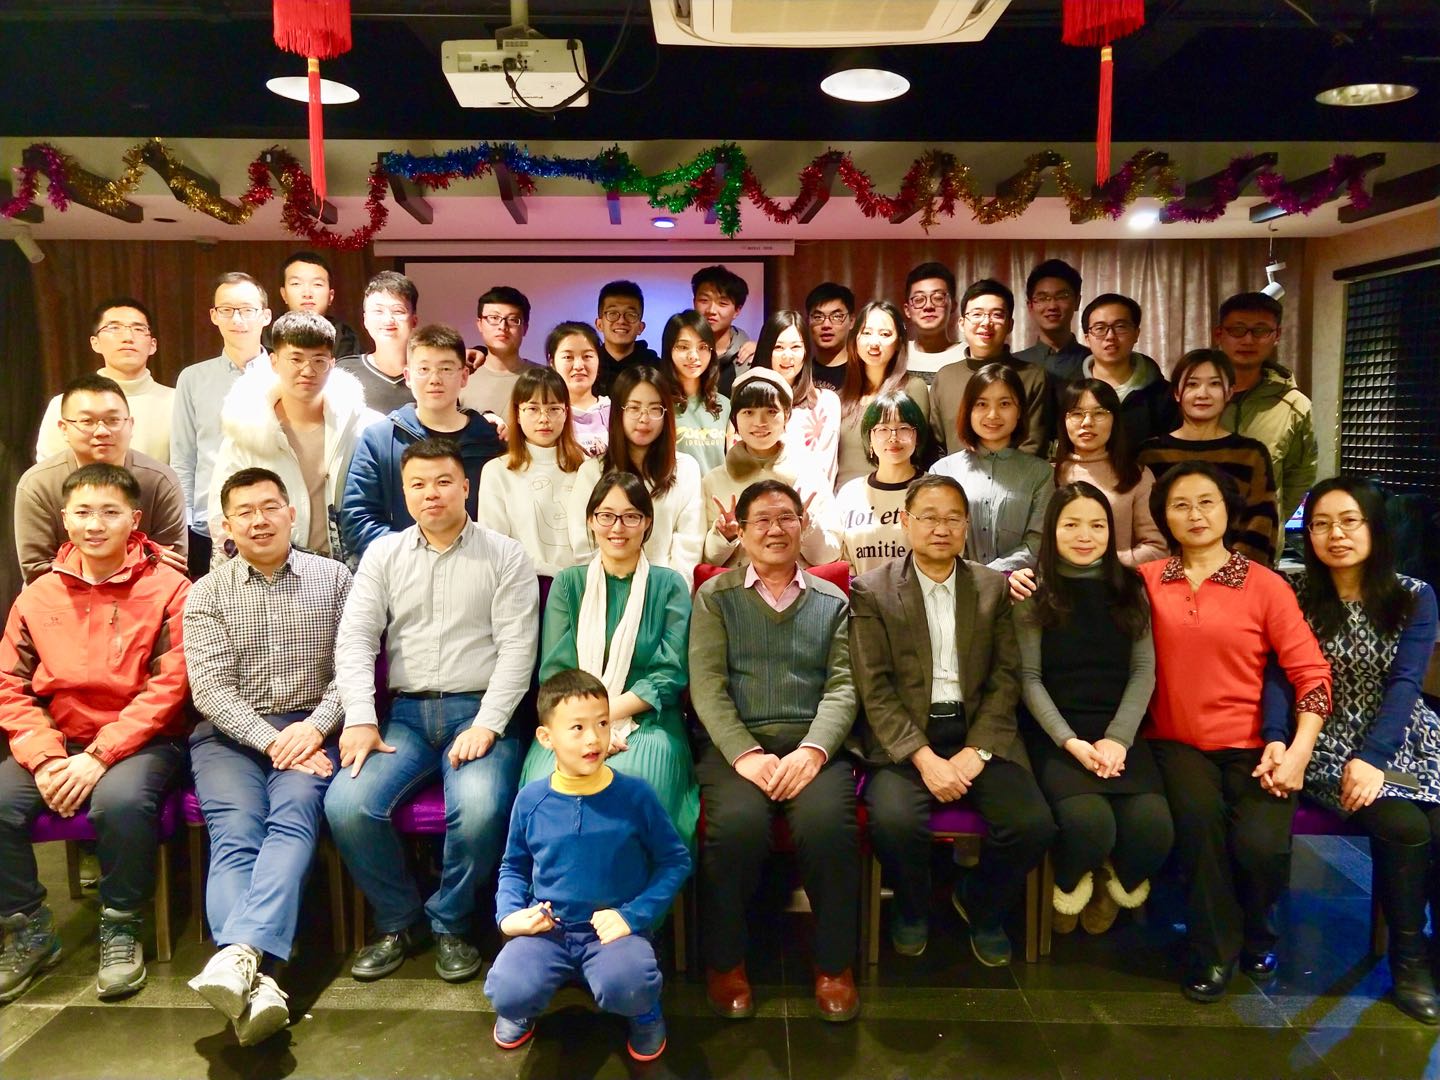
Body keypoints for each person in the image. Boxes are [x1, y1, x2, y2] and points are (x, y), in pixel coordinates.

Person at [324, 438, 538, 984]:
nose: (431, 494)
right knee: (347, 805)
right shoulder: (384, 555)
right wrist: (361, 717)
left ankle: (451, 922)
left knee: (481, 808)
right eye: (417, 484)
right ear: (404, 493)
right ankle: (400, 920)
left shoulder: (505, 555)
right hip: (405, 718)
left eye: (443, 482)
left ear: (465, 487)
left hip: (479, 710)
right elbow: (355, 639)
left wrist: (489, 723)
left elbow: (518, 649)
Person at [1140, 461, 1330, 1002]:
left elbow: (1312, 675)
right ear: (1164, 517)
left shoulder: (1266, 586)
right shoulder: (1146, 581)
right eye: (1180, 505)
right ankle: (1213, 953)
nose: (1195, 514)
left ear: (1229, 511)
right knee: (1200, 828)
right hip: (1174, 741)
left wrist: (1298, 751)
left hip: (1257, 747)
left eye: (1207, 502)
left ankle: (1258, 927)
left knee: (1261, 847)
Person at [0, 463, 189, 1004]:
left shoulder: (170, 588)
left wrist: (101, 755)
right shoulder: (37, 595)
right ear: (65, 520)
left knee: (120, 803)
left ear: (134, 520)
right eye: (83, 512)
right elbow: (10, 684)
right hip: (59, 740)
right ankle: (28, 928)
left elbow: (171, 685)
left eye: (109, 512)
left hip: (145, 740)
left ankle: (122, 923)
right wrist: (44, 758)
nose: (95, 524)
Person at [851, 475, 1056, 965]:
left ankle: (981, 904)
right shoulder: (872, 590)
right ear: (906, 522)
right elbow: (874, 687)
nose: (940, 528)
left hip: (978, 732)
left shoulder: (991, 587)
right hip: (905, 740)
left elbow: (1006, 676)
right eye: (929, 517)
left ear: (966, 526)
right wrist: (924, 759)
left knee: (1033, 824)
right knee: (894, 822)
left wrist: (976, 751)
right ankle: (912, 907)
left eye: (952, 519)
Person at [183, 467, 352, 1046]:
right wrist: (272, 740)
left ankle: (240, 961)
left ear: (291, 513)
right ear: (226, 526)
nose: (259, 521)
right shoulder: (206, 593)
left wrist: (314, 728)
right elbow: (210, 691)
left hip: (311, 732)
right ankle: (263, 980)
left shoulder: (334, 578)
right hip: (230, 737)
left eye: (269, 507)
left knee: (293, 820)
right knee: (236, 834)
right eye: (244, 512)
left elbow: (350, 671)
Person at [1264, 477, 1440, 1023]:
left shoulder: (1414, 595)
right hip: (1324, 737)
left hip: (1401, 735)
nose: (1335, 535)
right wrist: (1277, 739)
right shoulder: (1292, 592)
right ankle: (1409, 961)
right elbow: (1279, 677)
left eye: (1349, 521)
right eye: (1321, 524)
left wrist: (1376, 758)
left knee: (1435, 824)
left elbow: (1406, 683)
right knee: (1404, 825)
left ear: (1375, 528)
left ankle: (1426, 948)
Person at [690, 479, 861, 1022]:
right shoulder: (715, 597)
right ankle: (726, 962)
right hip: (737, 747)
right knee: (737, 829)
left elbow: (844, 687)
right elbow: (707, 686)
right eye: (760, 519)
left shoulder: (832, 600)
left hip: (813, 746)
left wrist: (813, 751)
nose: (774, 529)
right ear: (740, 531)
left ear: (802, 525)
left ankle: (834, 964)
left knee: (829, 828)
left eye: (786, 517)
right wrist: (746, 754)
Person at [485, 669, 691, 1061]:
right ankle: (522, 1007)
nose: (594, 738)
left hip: (614, 933)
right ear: (546, 737)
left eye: (602, 723)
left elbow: (674, 861)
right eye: (577, 728)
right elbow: (513, 866)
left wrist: (632, 916)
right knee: (509, 989)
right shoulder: (530, 800)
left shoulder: (635, 795)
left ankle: (644, 1010)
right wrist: (509, 915)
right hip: (549, 930)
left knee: (629, 984)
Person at [1016, 482, 1172, 937]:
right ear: (1052, 530)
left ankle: (1111, 882)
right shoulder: (1033, 590)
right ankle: (1068, 883)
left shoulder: (1130, 587)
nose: (1085, 536)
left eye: (1097, 525)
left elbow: (1143, 670)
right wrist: (1071, 742)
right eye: (1071, 525)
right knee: (1089, 824)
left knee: (1154, 830)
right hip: (1055, 733)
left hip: (1120, 730)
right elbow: (1029, 680)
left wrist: (1118, 739)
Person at [526, 472, 698, 845]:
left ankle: (637, 886)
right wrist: (591, 727)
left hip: (649, 722)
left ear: (647, 522)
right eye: (606, 515)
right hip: (570, 722)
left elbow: (669, 675)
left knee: (636, 788)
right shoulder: (568, 584)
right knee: (547, 790)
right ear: (591, 520)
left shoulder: (669, 585)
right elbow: (556, 675)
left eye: (631, 516)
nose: (617, 527)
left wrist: (603, 721)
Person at [208, 312, 382, 565]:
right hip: (271, 569)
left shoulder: (361, 426)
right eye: (296, 359)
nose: (307, 370)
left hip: (348, 570)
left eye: (319, 360)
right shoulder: (247, 430)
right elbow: (222, 513)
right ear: (274, 362)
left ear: (332, 364)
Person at [340, 323, 505, 560]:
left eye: (446, 369)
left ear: (464, 376)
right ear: (408, 376)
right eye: (424, 369)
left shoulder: (490, 440)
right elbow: (358, 519)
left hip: (479, 565)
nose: (435, 379)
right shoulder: (380, 438)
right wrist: (418, 557)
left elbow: (506, 518)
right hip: (402, 570)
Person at [16, 373, 187, 584]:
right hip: (63, 597)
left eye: (113, 420)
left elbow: (173, 565)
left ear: (130, 425)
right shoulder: (38, 484)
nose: (102, 431)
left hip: (143, 595)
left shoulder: (160, 481)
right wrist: (142, 553)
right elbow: (36, 569)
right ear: (64, 429)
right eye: (87, 421)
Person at [1137, 349, 1279, 564]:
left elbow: (1261, 523)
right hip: (1163, 575)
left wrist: (1229, 572)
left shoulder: (1251, 453)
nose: (1202, 394)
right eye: (1192, 384)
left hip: (1236, 576)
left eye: (1214, 384)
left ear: (1229, 392)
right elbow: (1145, 526)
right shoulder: (1150, 454)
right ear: (1177, 393)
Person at [565, 365, 704, 583]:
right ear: (618, 412)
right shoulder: (592, 472)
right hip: (606, 591)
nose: (644, 418)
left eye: (655, 409)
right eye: (634, 408)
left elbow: (689, 545)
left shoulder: (686, 469)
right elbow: (585, 543)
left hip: (665, 591)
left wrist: (668, 593)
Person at [173, 271, 272, 576]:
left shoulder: (283, 375)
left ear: (266, 316)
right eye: (226, 310)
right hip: (209, 524)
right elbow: (184, 456)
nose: (237, 319)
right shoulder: (193, 378)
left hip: (273, 522)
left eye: (247, 310)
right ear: (214, 316)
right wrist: (186, 522)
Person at [930, 363, 1054, 602]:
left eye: (1004, 404)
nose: (993, 415)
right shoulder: (942, 471)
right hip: (954, 594)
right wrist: (971, 577)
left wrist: (993, 575)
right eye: (982, 404)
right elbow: (934, 537)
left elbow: (1038, 540)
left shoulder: (1040, 473)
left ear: (1019, 411)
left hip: (1018, 594)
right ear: (968, 410)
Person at [701, 369, 841, 569]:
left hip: (796, 585)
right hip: (736, 586)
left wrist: (808, 527)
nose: (760, 422)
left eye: (771, 412)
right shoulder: (714, 481)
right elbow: (707, 560)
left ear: (787, 415)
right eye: (748, 412)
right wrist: (724, 535)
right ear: (734, 419)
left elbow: (830, 554)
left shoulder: (809, 473)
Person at [1214, 292, 1317, 526]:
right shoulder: (1193, 397)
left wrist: (1271, 522)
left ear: (1276, 335)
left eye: (1260, 330)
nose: (1248, 340)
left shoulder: (1294, 405)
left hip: (1261, 539)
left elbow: (1300, 475)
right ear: (1219, 334)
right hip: (1192, 536)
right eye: (1237, 330)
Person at [476, 366, 587, 577]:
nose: (544, 418)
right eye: (533, 409)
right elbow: (494, 546)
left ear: (566, 412)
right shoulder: (497, 472)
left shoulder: (586, 468)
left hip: (580, 583)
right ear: (518, 414)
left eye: (553, 409)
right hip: (522, 582)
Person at [36, 297, 175, 463]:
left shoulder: (178, 402)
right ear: (95, 343)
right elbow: (50, 469)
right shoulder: (65, 404)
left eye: (138, 329)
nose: (128, 337)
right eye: (114, 328)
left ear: (153, 345)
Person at [929, 279, 1051, 458]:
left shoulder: (1032, 377)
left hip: (1017, 475)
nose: (986, 322)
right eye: (977, 314)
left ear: (1010, 325)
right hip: (950, 475)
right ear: (962, 323)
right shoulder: (945, 377)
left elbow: (1033, 446)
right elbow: (936, 446)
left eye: (997, 315)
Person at [1054, 379, 1166, 567]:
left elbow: (1157, 548)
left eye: (1099, 413)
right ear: (1063, 421)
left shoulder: (1137, 475)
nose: (1087, 422)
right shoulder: (1048, 474)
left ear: (1115, 420)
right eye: (1076, 413)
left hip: (1118, 580)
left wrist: (1106, 564)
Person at [834, 390, 933, 575]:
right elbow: (844, 563)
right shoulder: (850, 494)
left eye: (903, 428)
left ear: (917, 436)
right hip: (862, 592)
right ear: (869, 438)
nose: (893, 437)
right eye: (882, 429)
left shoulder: (935, 491)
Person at [837, 300, 930, 489]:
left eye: (885, 334)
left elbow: (917, 454)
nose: (874, 343)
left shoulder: (912, 389)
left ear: (899, 342)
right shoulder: (840, 397)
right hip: (844, 500)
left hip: (891, 498)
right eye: (866, 333)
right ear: (855, 339)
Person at [753, 309, 841, 486]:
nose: (787, 356)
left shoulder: (826, 403)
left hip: (813, 499)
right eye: (778, 347)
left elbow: (826, 468)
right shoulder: (748, 403)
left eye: (795, 347)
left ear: (806, 351)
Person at [1076, 294, 1173, 451]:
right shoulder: (1071, 390)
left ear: (1136, 333)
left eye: (1120, 327)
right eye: (1100, 328)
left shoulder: (1163, 394)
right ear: (1087, 338)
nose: (1110, 336)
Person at [336, 270, 418, 415]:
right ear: (365, 320)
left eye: (398, 311)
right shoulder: (345, 372)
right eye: (378, 311)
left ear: (414, 321)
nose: (388, 320)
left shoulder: (429, 373)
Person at [660, 310, 730, 475]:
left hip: (717, 491)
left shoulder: (725, 405)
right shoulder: (659, 404)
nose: (693, 355)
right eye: (683, 347)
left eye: (702, 347)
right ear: (669, 350)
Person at [459, 285, 542, 422]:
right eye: (493, 318)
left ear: (525, 328)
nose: (502, 327)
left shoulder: (543, 378)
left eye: (513, 320)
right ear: (480, 324)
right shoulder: (461, 377)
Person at [265, 250, 362, 359]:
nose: (307, 294)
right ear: (284, 294)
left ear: (330, 296)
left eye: (317, 284)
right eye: (296, 283)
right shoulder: (268, 335)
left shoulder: (344, 336)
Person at [1013, 258, 1088, 386]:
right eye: (1042, 298)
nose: (1052, 306)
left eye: (1062, 296)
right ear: (1030, 306)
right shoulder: (1014, 365)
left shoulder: (1094, 361)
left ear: (1077, 302)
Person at [548, 322, 610, 458]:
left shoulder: (614, 411)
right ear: (552, 362)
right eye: (568, 357)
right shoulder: (545, 414)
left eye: (587, 356)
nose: (578, 366)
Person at [692, 265, 754, 394]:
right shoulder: (680, 349)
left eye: (723, 303)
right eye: (704, 300)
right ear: (694, 302)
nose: (711, 310)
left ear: (737, 310)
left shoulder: (749, 358)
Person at [594, 280, 661, 396]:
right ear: (599, 324)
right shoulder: (589, 366)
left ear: (640, 327)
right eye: (612, 313)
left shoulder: (656, 369)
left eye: (631, 315)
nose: (621, 321)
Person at [902, 261, 965, 377]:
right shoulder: (897, 354)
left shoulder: (969, 355)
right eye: (919, 299)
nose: (928, 306)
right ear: (907, 310)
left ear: (953, 306)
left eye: (938, 298)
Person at [805, 281, 855, 391]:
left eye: (836, 316)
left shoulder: (862, 373)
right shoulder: (800, 373)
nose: (826, 325)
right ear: (808, 321)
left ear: (851, 321)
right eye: (818, 317)